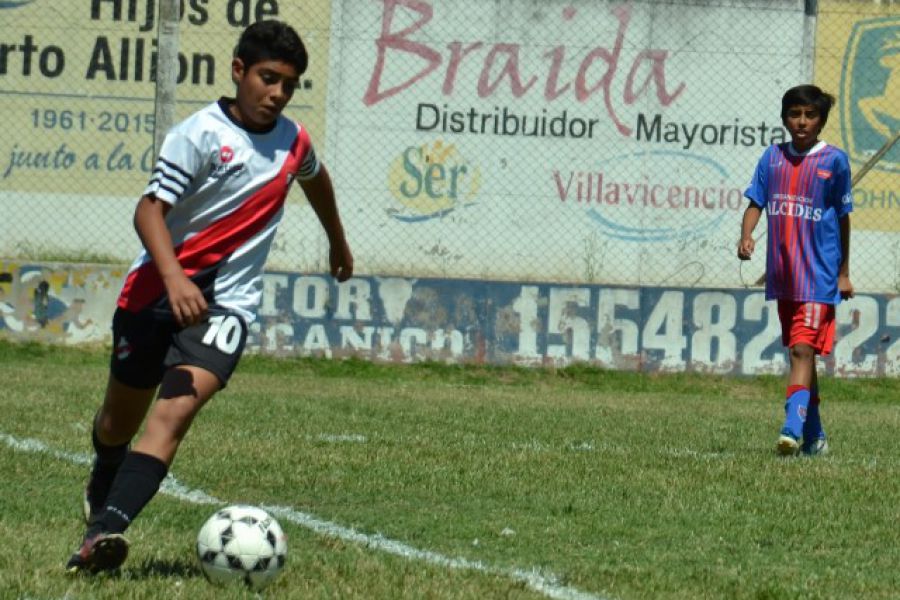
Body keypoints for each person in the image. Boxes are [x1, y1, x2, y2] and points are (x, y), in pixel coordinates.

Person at [65, 19, 353, 574]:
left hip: (227, 306)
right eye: (268, 78)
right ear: (239, 70)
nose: (277, 94)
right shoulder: (198, 134)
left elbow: (316, 178)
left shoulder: (295, 142)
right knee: (116, 424)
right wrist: (174, 279)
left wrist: (338, 242)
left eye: (289, 85)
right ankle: (104, 469)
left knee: (174, 412)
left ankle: (101, 534)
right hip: (153, 295)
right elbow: (149, 210)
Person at [737, 84, 853, 457]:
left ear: (821, 121)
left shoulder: (834, 161)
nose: (802, 122)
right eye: (795, 114)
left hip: (819, 276)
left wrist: (843, 272)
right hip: (784, 277)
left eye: (810, 115)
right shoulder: (771, 158)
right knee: (802, 354)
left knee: (802, 350)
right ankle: (815, 438)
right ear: (784, 117)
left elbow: (844, 219)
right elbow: (756, 201)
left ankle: (791, 429)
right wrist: (747, 235)